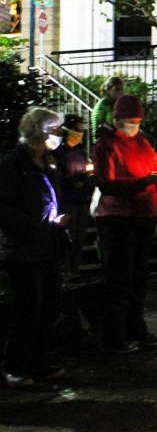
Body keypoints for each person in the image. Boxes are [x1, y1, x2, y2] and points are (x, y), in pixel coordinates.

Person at [92, 95, 157, 353]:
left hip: (142, 216)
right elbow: (105, 184)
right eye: (130, 121)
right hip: (118, 219)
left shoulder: (141, 142)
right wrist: (143, 182)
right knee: (118, 279)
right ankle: (114, 337)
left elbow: (153, 168)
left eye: (138, 121)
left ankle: (136, 329)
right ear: (117, 120)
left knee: (138, 278)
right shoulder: (105, 145)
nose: (134, 126)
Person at [0, 107, 69, 387]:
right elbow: (5, 212)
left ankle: (38, 362)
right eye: (55, 130)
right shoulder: (11, 167)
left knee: (49, 307)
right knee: (28, 308)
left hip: (47, 247)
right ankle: (15, 366)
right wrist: (39, 226)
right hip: (23, 250)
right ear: (40, 132)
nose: (60, 135)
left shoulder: (48, 162)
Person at [53, 114, 94, 275]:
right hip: (68, 200)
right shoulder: (58, 152)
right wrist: (71, 182)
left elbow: (88, 172)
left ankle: (74, 268)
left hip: (82, 199)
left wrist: (87, 181)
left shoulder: (81, 151)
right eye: (77, 130)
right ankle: (66, 269)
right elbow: (57, 175)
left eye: (81, 130)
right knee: (68, 236)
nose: (80, 134)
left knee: (80, 236)